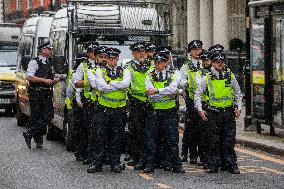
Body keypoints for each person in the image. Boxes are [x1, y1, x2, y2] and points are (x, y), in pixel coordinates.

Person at [194, 52, 242, 174]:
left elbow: (238, 93)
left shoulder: (230, 76)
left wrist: (239, 107)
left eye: (222, 62)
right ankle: (212, 164)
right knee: (213, 140)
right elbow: (198, 94)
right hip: (213, 113)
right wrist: (200, 109)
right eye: (217, 62)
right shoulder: (208, 77)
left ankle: (231, 164)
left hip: (228, 113)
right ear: (213, 63)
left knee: (229, 140)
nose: (220, 64)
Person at [87, 47, 130, 173]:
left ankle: (115, 163)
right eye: (109, 58)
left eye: (114, 58)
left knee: (116, 138)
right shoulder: (100, 71)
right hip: (103, 109)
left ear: (117, 58)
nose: (111, 61)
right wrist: (117, 85)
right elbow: (100, 87)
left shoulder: (125, 71)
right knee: (99, 137)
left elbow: (126, 84)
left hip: (119, 110)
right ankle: (97, 163)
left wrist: (110, 83)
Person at [143, 52, 184, 174]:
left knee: (172, 140)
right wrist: (167, 93)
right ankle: (150, 164)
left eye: (160, 62)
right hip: (154, 111)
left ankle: (176, 165)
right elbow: (149, 93)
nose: (157, 65)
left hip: (169, 112)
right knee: (151, 139)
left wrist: (156, 91)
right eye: (155, 62)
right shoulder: (149, 75)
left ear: (166, 62)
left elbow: (173, 88)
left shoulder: (174, 73)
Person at [23, 41, 63, 148]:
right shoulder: (34, 62)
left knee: (49, 115)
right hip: (36, 92)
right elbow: (30, 77)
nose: (50, 51)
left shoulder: (50, 62)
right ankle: (38, 139)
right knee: (37, 116)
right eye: (49, 49)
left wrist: (57, 78)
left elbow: (52, 75)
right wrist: (44, 80)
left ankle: (30, 132)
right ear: (42, 50)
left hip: (46, 92)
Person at [125, 42, 150, 168]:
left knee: (148, 132)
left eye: (143, 51)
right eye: (139, 52)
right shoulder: (127, 67)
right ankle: (136, 157)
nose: (142, 54)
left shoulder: (152, 65)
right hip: (135, 102)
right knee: (136, 131)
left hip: (150, 102)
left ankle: (147, 158)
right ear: (133, 53)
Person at [73, 42, 99, 164]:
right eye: (91, 51)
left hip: (100, 101)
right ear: (88, 53)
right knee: (85, 128)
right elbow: (77, 83)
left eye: (95, 51)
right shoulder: (83, 65)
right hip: (87, 101)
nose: (93, 54)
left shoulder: (103, 63)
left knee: (97, 130)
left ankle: (96, 154)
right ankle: (83, 152)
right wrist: (78, 98)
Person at [180, 40, 203, 164]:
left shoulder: (205, 64)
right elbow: (182, 82)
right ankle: (192, 154)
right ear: (190, 52)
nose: (197, 51)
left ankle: (203, 155)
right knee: (192, 128)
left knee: (203, 129)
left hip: (205, 101)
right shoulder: (186, 66)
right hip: (191, 100)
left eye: (199, 49)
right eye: (194, 49)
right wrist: (182, 90)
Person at [65, 52, 87, 160]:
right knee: (85, 128)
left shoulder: (73, 73)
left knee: (80, 129)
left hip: (78, 105)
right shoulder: (90, 71)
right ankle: (84, 151)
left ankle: (80, 152)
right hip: (84, 104)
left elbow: (69, 92)